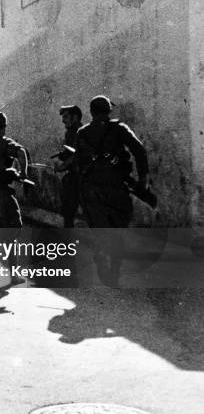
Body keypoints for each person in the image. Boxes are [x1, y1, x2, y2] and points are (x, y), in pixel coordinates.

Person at [75, 95, 149, 285]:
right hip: (115, 187)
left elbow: (79, 163)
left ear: (91, 112)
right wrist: (143, 179)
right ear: (109, 111)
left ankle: (100, 254)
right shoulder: (119, 129)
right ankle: (114, 270)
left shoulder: (82, 133)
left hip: (92, 189)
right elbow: (139, 150)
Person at [54, 105, 83, 228]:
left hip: (81, 177)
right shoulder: (70, 132)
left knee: (71, 209)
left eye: (66, 117)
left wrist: (62, 166)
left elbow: (77, 154)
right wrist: (63, 155)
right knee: (68, 210)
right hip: (76, 176)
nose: (63, 120)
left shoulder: (80, 132)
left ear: (75, 117)